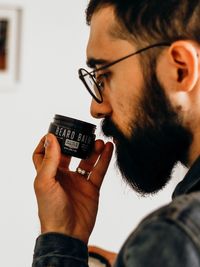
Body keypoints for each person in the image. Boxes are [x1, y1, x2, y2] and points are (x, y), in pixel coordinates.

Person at [32, 0, 200, 266]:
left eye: (105, 75)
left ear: (181, 69)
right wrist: (67, 235)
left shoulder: (175, 236)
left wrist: (58, 243)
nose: (96, 108)